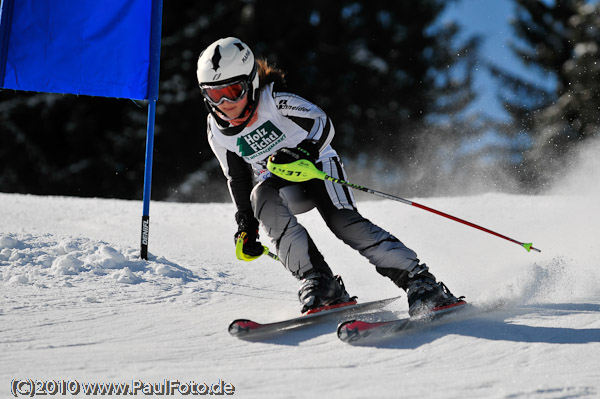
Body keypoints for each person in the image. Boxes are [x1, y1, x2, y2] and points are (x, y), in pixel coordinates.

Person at [197, 37, 461, 315]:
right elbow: (237, 178)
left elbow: (322, 121)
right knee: (260, 194)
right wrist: (246, 226)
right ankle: (319, 281)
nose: (225, 102)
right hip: (283, 184)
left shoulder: (273, 100)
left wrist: (304, 151)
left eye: (233, 91)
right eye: (215, 95)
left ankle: (420, 282)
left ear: (250, 83)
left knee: (343, 222)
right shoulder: (216, 131)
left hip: (318, 167)